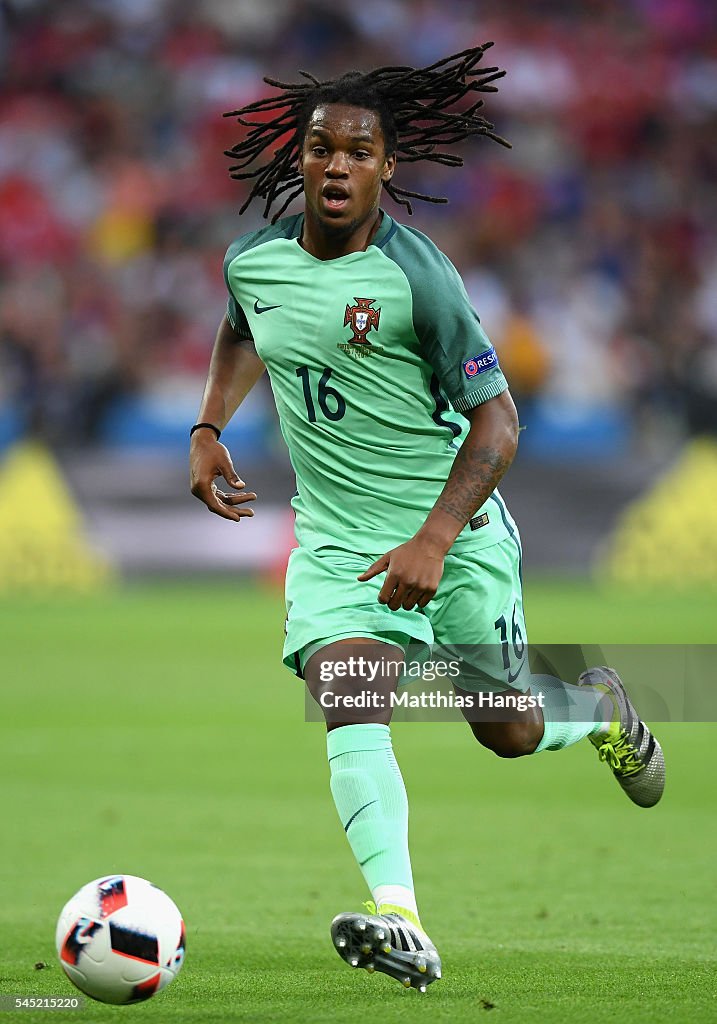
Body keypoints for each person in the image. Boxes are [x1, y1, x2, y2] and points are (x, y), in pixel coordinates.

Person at [189, 46, 664, 992]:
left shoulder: (419, 279)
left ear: (385, 168)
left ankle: (597, 705)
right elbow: (246, 328)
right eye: (320, 147)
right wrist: (208, 426)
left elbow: (499, 420)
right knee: (350, 699)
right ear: (298, 155)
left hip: (454, 536)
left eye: (357, 152)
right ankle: (397, 918)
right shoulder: (255, 259)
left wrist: (435, 540)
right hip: (334, 543)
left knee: (509, 728)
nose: (335, 165)